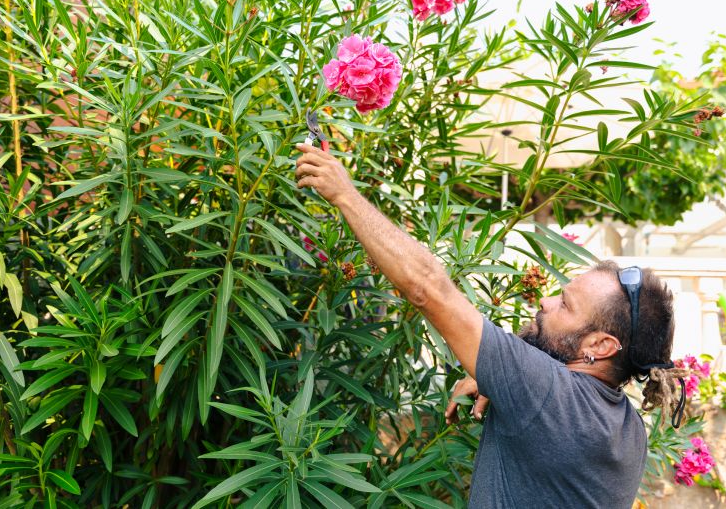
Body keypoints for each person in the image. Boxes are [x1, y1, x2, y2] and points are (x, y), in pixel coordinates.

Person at [294, 143, 687, 508]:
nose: (545, 301)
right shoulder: (628, 428)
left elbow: (427, 288)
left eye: (565, 305)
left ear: (600, 346)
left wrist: (344, 193)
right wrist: (500, 383)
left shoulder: (546, 394)